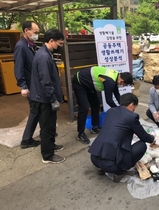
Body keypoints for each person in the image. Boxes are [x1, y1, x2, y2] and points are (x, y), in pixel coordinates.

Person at [88, 93, 155, 182]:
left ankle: (101, 168)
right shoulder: (132, 117)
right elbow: (144, 137)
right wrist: (152, 138)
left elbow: (115, 129)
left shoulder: (111, 111)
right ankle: (120, 171)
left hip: (94, 158)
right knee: (142, 146)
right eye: (135, 107)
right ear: (131, 104)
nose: (134, 110)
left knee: (111, 141)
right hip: (111, 166)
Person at [29, 28, 65, 164]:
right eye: (59, 44)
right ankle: (47, 155)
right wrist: (52, 98)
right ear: (51, 41)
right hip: (43, 98)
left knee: (50, 125)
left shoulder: (45, 53)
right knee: (46, 127)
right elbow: (45, 81)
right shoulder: (44, 56)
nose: (59, 47)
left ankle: (51, 146)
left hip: (44, 96)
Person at [72, 67, 133, 144]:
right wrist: (119, 111)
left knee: (96, 104)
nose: (123, 86)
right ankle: (80, 134)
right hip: (79, 82)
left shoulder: (115, 77)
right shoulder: (110, 81)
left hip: (89, 84)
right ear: (121, 81)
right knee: (84, 107)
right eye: (124, 85)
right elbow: (109, 100)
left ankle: (95, 127)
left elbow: (117, 95)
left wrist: (123, 107)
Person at [14, 21, 41, 149]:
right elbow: (18, 67)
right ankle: (26, 140)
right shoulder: (21, 46)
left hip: (35, 83)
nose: (37, 35)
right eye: (35, 32)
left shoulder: (31, 45)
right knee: (35, 110)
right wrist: (23, 86)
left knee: (39, 109)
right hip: (30, 85)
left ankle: (43, 132)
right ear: (26, 31)